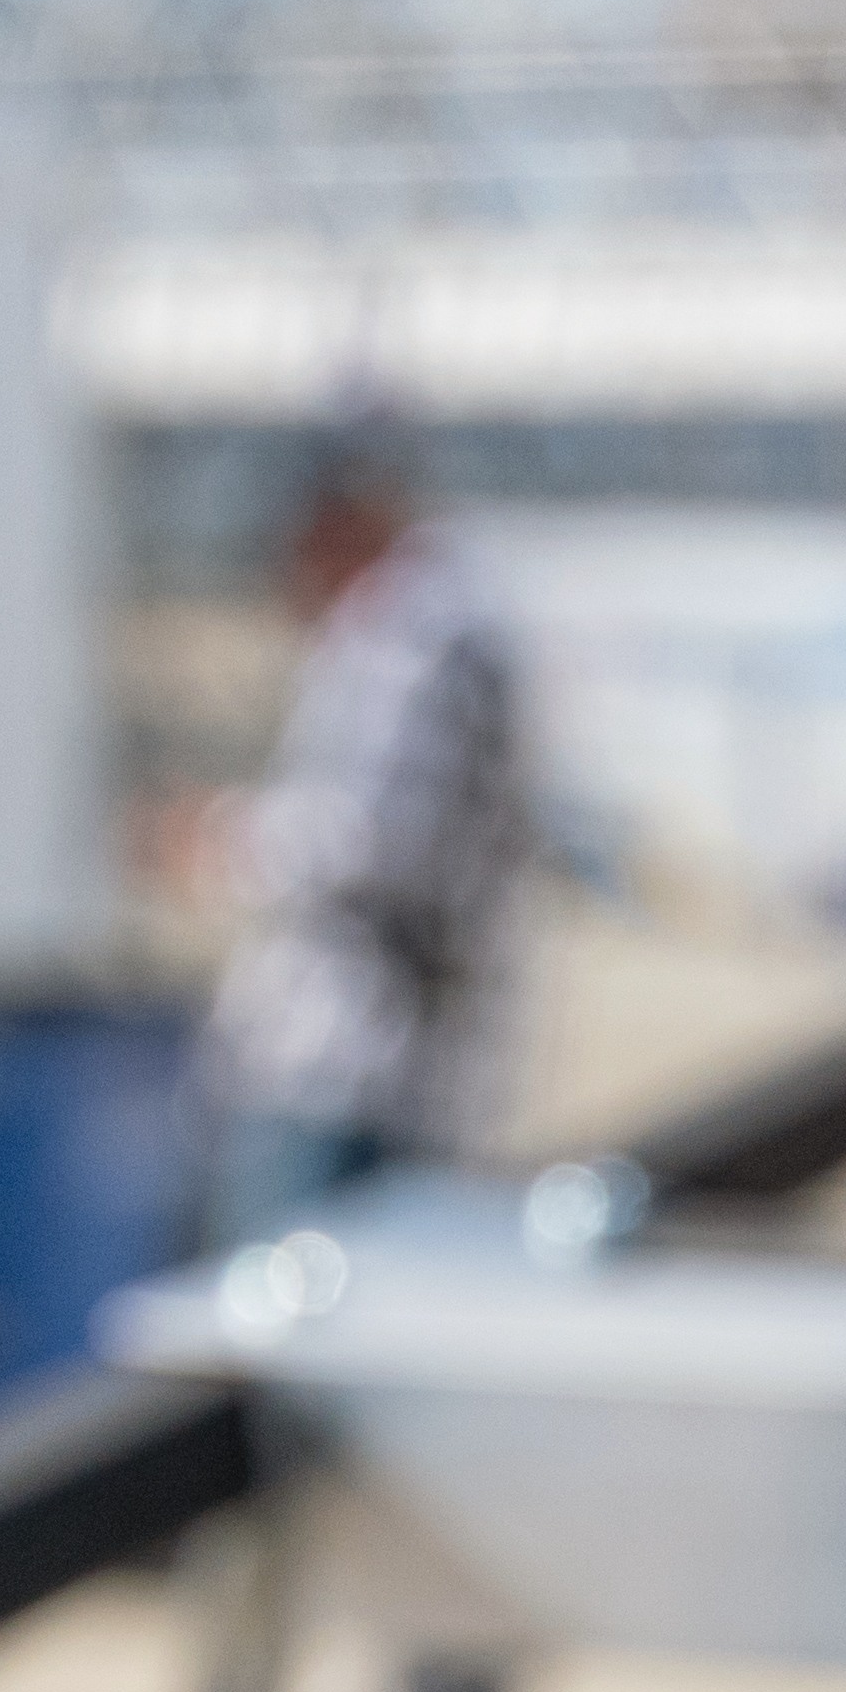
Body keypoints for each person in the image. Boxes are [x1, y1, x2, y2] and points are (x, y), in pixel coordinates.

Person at [206, 431, 531, 1246]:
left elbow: (371, 842)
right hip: (369, 1055)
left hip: (359, 1056)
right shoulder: (422, 626)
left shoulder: (412, 636)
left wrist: (221, 836)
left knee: (299, 1299)